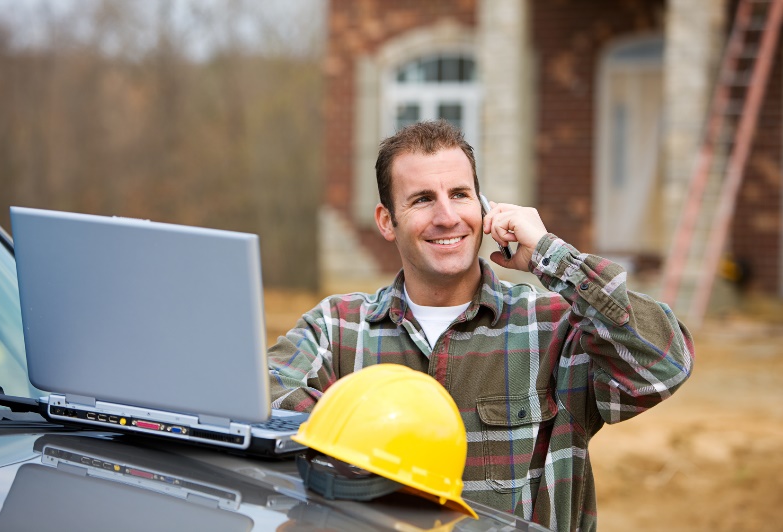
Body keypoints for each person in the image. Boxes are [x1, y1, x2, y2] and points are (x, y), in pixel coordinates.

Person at [267, 119, 694, 531]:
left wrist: (552, 257)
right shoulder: (338, 328)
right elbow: (259, 395)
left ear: (484, 208)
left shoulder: (554, 327)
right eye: (422, 199)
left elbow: (664, 365)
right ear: (386, 221)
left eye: (460, 194)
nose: (447, 216)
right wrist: (363, 427)